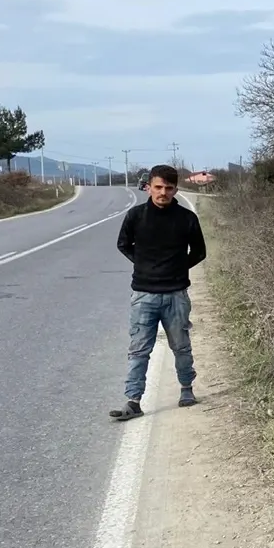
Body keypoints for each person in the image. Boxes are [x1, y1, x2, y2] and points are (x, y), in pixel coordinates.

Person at [109, 164, 207, 420]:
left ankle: (187, 389)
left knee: (181, 346)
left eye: (169, 188)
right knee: (139, 349)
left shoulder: (187, 219)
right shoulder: (135, 216)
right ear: (149, 187)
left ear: (175, 189)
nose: (163, 192)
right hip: (144, 294)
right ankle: (133, 401)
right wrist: (143, 264)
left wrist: (177, 268)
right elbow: (123, 244)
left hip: (176, 294)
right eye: (158, 187)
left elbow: (199, 252)